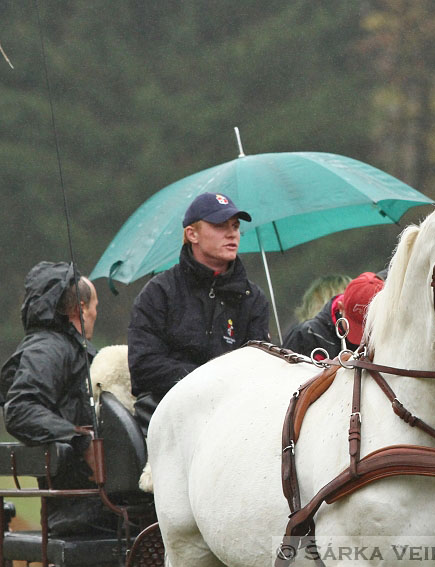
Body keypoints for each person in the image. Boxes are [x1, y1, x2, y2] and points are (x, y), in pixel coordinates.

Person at [128, 192, 270, 435]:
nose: (231, 233)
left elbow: (260, 368)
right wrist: (206, 380)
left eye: (235, 226)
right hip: (169, 415)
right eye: (219, 225)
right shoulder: (158, 292)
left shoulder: (252, 298)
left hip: (235, 416)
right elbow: (143, 367)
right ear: (192, 234)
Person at [1, 262, 113, 535]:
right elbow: (20, 409)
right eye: (95, 306)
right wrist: (81, 440)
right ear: (81, 308)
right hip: (79, 510)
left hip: (97, 500)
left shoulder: (68, 349)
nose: (96, 313)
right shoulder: (49, 348)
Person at [281, 271, 384, 359]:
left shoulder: (391, 337)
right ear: (341, 307)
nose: (362, 340)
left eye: (371, 328)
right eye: (355, 326)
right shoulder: (305, 336)